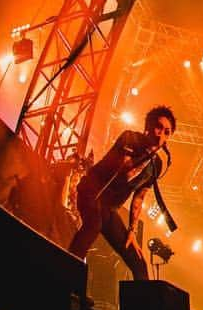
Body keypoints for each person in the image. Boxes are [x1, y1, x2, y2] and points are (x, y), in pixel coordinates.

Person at [68, 105, 176, 281]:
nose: (160, 134)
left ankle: (143, 307)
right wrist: (146, 153)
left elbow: (139, 197)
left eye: (167, 132)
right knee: (92, 226)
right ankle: (66, 281)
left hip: (108, 208)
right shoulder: (130, 138)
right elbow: (123, 171)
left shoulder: (157, 164)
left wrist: (132, 231)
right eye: (158, 127)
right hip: (92, 191)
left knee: (139, 261)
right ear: (148, 126)